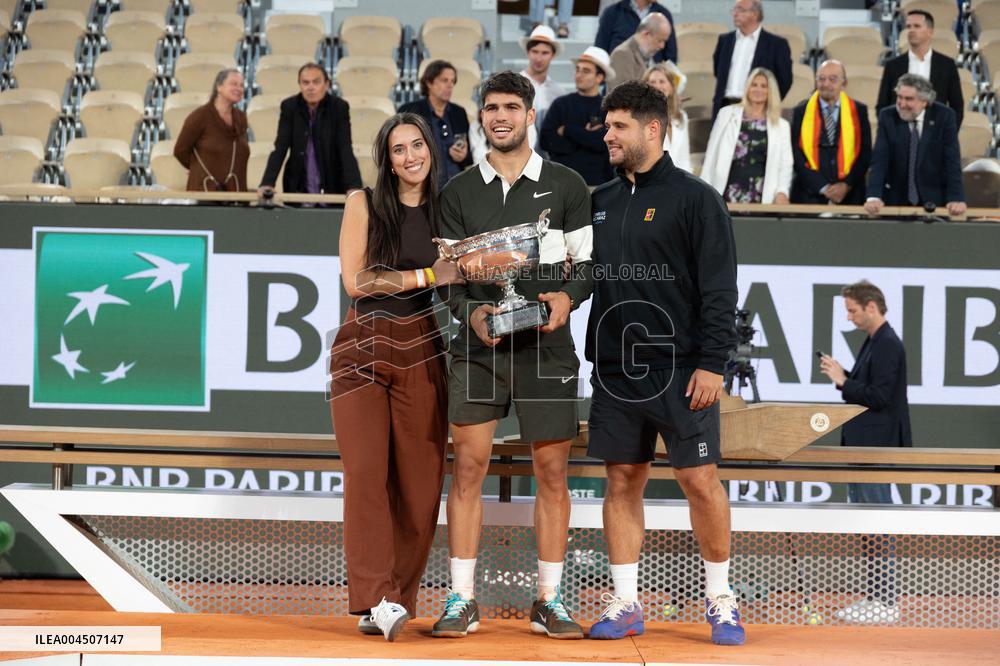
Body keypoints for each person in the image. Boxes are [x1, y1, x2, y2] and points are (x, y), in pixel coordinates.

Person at [430, 71, 594, 640]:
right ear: (480, 117)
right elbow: (448, 279)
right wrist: (470, 312)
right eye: (491, 108)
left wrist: (567, 297)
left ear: (530, 116)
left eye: (511, 107)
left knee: (552, 473)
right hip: (479, 348)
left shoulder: (569, 185)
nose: (500, 116)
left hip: (547, 348)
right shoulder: (456, 193)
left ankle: (549, 599)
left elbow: (589, 265)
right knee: (468, 468)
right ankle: (461, 597)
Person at [586, 80, 744, 646]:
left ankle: (721, 599)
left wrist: (712, 363)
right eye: (607, 126)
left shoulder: (697, 198)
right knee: (622, 482)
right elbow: (579, 279)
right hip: (614, 370)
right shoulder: (598, 202)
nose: (609, 134)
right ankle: (627, 602)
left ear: (652, 129)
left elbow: (720, 290)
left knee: (699, 481)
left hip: (682, 371)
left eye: (618, 126)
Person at [330, 112, 465, 641]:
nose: (410, 157)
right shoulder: (363, 202)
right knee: (366, 476)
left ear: (431, 149)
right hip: (362, 345)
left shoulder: (447, 211)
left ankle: (393, 600)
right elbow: (357, 279)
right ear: (386, 160)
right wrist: (430, 274)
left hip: (423, 345)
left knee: (420, 485)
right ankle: (375, 598)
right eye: (398, 150)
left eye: (417, 146)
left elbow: (458, 287)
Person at [819, 280, 911, 624]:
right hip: (864, 449)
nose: (850, 317)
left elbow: (880, 397)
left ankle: (886, 601)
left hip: (877, 449)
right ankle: (875, 597)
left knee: (878, 524)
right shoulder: (875, 342)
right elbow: (865, 391)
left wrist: (844, 380)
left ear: (871, 307)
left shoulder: (887, 344)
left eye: (852, 310)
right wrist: (845, 378)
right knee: (867, 524)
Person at [865, 73, 965, 216]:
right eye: (899, 97)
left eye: (909, 99)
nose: (902, 104)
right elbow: (880, 160)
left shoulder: (944, 116)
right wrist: (873, 196)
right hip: (895, 201)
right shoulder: (887, 116)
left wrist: (956, 198)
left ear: (925, 101)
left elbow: (952, 161)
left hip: (934, 200)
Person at [257, 62, 362, 198]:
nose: (310, 87)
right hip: (297, 185)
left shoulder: (339, 107)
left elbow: (345, 148)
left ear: (327, 84)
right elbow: (280, 148)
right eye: (305, 83)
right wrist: (267, 182)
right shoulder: (289, 107)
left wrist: (354, 186)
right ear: (300, 85)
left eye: (316, 82)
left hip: (332, 183)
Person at [701, 67, 793, 204]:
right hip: (726, 191)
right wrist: (704, 190)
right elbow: (711, 155)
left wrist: (782, 191)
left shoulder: (781, 125)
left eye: (763, 86)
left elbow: (786, 164)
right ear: (747, 88)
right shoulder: (726, 114)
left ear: (770, 92)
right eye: (754, 85)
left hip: (762, 194)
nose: (758, 89)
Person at [790, 60, 872, 205]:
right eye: (821, 79)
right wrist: (822, 187)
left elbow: (865, 154)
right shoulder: (801, 111)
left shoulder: (858, 111)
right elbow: (796, 154)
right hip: (809, 195)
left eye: (832, 79)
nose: (826, 84)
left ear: (844, 83)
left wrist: (846, 185)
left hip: (850, 196)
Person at [540, 46, 615, 185]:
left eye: (586, 71)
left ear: (600, 77)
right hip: (561, 183)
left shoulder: (609, 108)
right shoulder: (560, 104)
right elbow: (546, 140)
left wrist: (567, 130)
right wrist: (587, 139)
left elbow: (605, 143)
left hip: (597, 184)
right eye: (578, 69)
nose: (578, 75)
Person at [876, 10, 964, 128]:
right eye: (908, 27)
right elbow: (882, 106)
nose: (911, 30)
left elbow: (957, 106)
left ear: (930, 31)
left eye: (917, 26)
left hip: (935, 136)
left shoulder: (947, 65)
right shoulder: (893, 66)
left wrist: (946, 135)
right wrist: (892, 134)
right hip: (899, 137)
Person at [711, 0, 792, 119]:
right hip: (724, 108)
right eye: (734, 10)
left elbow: (784, 81)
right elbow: (718, 72)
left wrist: (766, 102)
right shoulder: (724, 40)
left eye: (740, 9)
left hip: (758, 111)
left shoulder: (777, 45)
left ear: (755, 14)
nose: (735, 13)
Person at [173, 68, 250, 192]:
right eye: (234, 84)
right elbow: (180, 150)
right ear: (219, 87)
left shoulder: (241, 118)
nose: (239, 89)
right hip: (205, 191)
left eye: (241, 85)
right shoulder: (200, 116)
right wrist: (196, 168)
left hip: (236, 193)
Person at [398, 61, 472, 185]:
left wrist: (463, 156)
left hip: (456, 188)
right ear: (429, 82)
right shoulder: (410, 111)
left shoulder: (459, 112)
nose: (450, 85)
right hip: (424, 186)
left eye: (452, 81)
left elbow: (469, 156)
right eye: (444, 80)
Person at [518, 25, 566, 150]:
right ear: (528, 52)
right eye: (535, 51)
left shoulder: (559, 92)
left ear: (553, 55)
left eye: (545, 53)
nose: (539, 58)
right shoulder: (514, 85)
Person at [642, 61, 691, 172]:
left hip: (679, 182)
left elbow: (684, 156)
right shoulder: (640, 118)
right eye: (652, 82)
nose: (657, 86)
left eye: (662, 81)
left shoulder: (681, 117)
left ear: (672, 87)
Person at [595, 0, 677, 65]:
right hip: (619, 78)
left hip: (652, 81)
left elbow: (671, 57)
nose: (661, 45)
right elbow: (599, 51)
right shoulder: (613, 12)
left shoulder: (664, 15)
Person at [606, 13, 672, 91]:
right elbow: (622, 97)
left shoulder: (646, 53)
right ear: (646, 34)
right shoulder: (622, 55)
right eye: (660, 40)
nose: (662, 46)